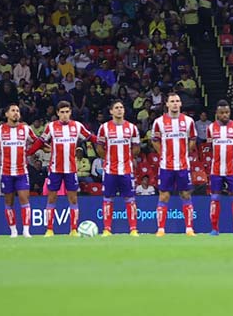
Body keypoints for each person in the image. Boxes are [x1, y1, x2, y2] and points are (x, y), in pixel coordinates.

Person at [34, 100, 93, 237]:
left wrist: (103, 141)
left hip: (71, 169)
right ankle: (49, 229)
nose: (65, 114)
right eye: (62, 112)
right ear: (57, 113)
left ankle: (73, 230)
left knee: (73, 199)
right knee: (51, 199)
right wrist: (29, 152)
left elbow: (90, 137)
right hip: (55, 169)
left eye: (67, 112)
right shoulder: (51, 127)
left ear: (70, 112)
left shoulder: (77, 126)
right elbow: (41, 141)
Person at [151, 93, 198, 236]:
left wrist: (185, 153)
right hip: (166, 166)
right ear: (167, 104)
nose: (175, 103)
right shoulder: (159, 122)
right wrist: (163, 153)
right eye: (172, 101)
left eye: (177, 101)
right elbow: (155, 140)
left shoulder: (188, 121)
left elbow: (193, 138)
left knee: (186, 195)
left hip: (183, 165)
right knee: (164, 196)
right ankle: (160, 229)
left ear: (181, 104)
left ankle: (189, 229)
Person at [95, 99, 141, 236]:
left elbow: (136, 147)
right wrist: (108, 158)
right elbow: (99, 147)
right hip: (110, 170)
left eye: (121, 107)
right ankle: (107, 229)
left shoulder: (132, 128)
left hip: (126, 170)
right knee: (108, 199)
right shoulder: (104, 128)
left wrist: (128, 158)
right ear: (111, 111)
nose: (119, 110)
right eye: (116, 108)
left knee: (130, 199)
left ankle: (133, 229)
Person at [0, 103, 39, 238]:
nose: (16, 113)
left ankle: (26, 230)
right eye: (13, 110)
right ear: (6, 114)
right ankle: (13, 230)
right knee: (9, 202)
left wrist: (31, 152)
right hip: (6, 173)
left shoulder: (26, 129)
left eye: (17, 111)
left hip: (22, 172)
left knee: (24, 200)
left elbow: (37, 142)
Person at [206, 100, 233, 236]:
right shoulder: (211, 128)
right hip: (216, 170)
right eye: (222, 113)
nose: (225, 115)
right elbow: (209, 146)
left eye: (227, 112)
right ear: (217, 114)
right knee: (215, 198)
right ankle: (214, 229)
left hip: (232, 170)